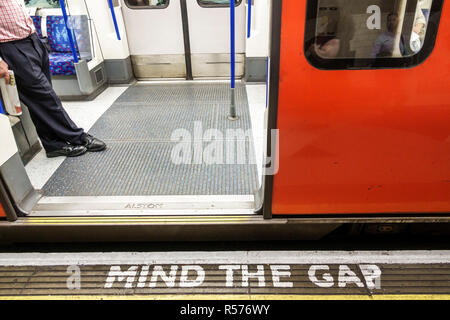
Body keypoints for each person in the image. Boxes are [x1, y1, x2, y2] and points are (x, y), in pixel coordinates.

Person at [0, 0, 106, 158]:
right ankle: (78, 137)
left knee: (39, 101)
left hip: (32, 40)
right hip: (11, 47)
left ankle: (53, 145)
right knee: (47, 97)